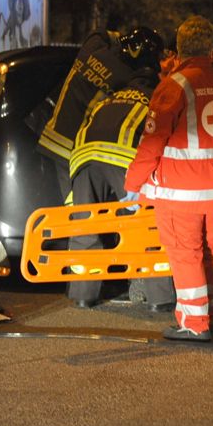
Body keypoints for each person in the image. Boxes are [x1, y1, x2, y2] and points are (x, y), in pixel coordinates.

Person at [123, 16, 213, 342]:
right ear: (211, 47)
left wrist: (133, 184)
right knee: (212, 253)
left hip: (184, 193)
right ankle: (210, 309)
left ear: (179, 48)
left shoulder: (174, 85)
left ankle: (193, 323)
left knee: (185, 254)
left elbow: (152, 140)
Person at [65, 52, 161, 308]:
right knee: (146, 225)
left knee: (85, 228)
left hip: (82, 158)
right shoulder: (157, 97)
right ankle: (159, 297)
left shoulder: (110, 97)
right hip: (123, 159)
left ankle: (84, 296)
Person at [37, 27, 164, 201]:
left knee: (73, 205)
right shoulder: (126, 76)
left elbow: (100, 33)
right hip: (73, 145)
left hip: (51, 134)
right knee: (74, 211)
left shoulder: (92, 48)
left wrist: (124, 38)